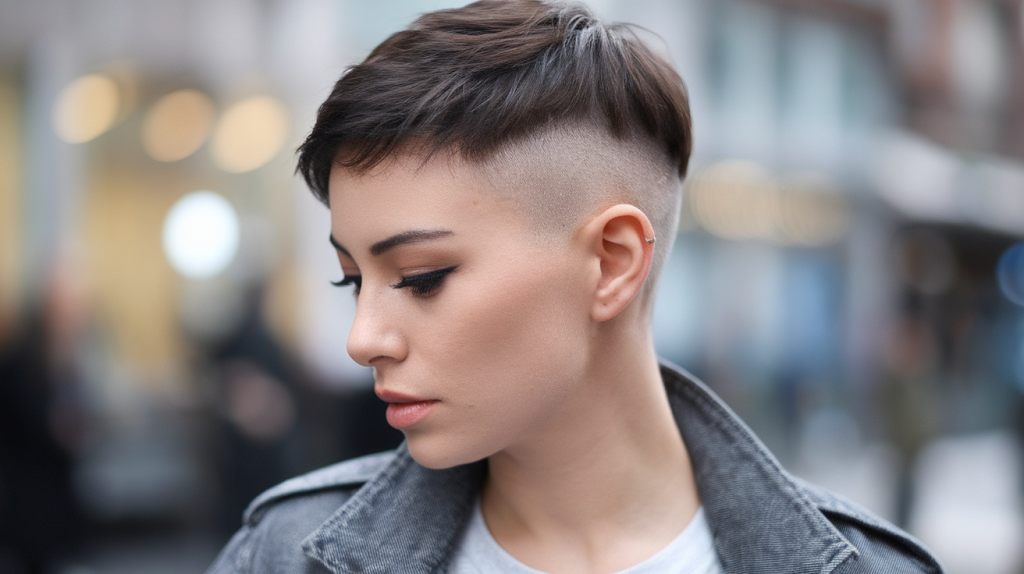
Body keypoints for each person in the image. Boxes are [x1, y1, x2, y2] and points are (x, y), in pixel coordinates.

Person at [207, 1, 944, 572]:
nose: (363, 338)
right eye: (352, 280)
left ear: (613, 263)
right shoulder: (286, 553)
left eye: (421, 279)